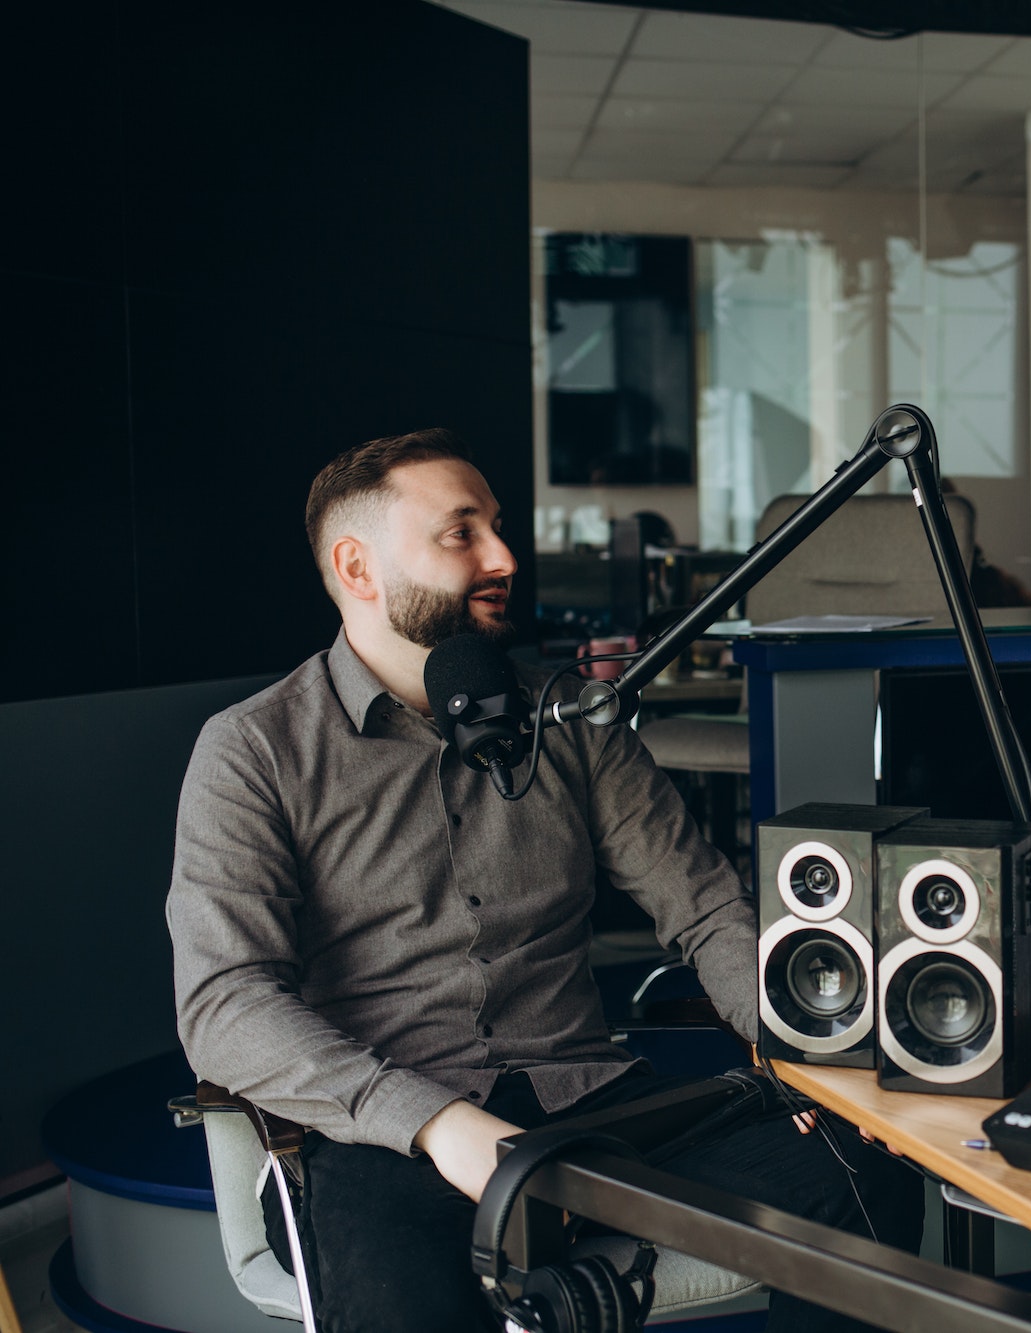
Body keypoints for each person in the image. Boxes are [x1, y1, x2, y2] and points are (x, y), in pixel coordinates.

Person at [167, 429, 920, 1333]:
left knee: (863, 1174)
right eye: (461, 533)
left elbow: (707, 907)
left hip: (594, 1108)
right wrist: (434, 1122)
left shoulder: (568, 719)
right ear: (357, 567)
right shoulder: (252, 749)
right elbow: (223, 1002)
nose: (504, 557)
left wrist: (814, 1052)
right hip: (388, 1136)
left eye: (498, 526)